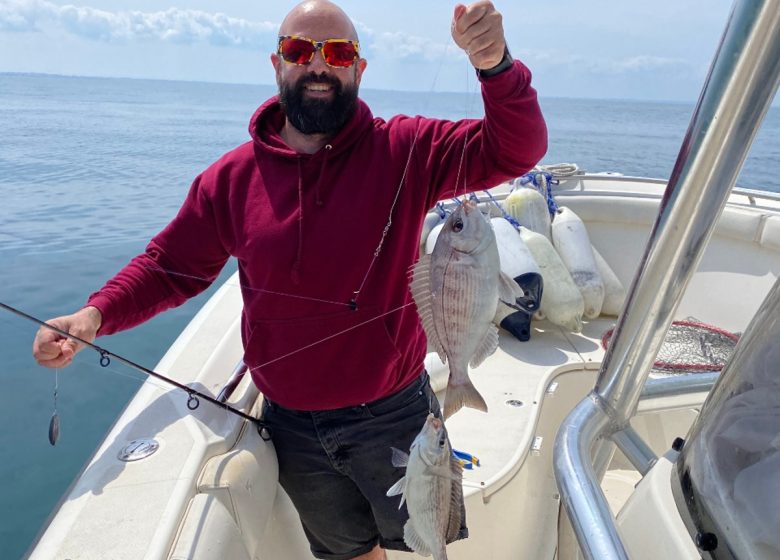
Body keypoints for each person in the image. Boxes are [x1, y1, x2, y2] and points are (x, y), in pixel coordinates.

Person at [32, 1, 547, 558]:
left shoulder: (405, 149)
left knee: (425, 547)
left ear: (359, 68)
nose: (318, 65)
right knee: (348, 554)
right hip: (292, 429)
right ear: (277, 64)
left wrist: (495, 66)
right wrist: (95, 316)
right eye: (300, 51)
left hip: (394, 415)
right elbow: (168, 267)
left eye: (338, 53)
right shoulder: (230, 180)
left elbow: (515, 148)